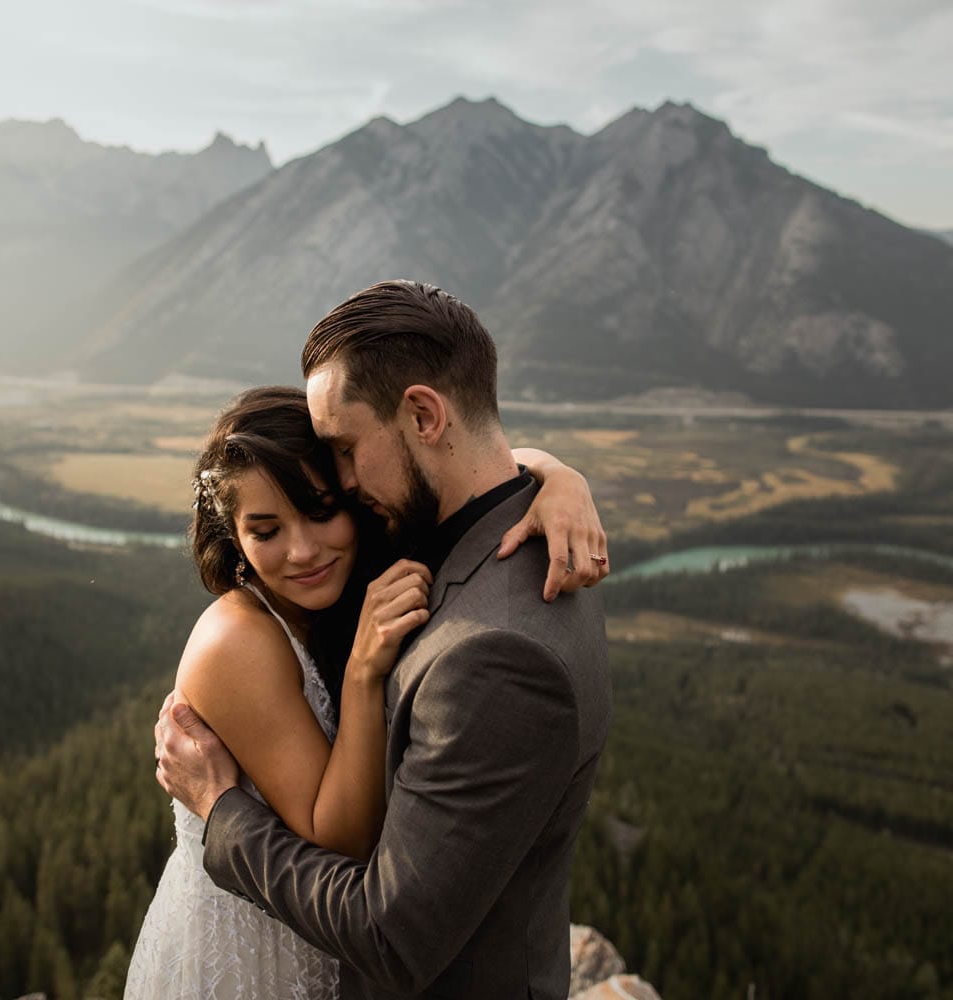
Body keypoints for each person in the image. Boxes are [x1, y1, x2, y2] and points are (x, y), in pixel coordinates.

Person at [155, 280, 613, 999]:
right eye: (269, 528)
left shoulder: (496, 652)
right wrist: (549, 474)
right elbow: (483, 466)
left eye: (342, 453)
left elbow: (389, 934)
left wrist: (223, 812)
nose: (341, 481)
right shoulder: (467, 536)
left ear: (424, 414)